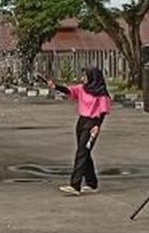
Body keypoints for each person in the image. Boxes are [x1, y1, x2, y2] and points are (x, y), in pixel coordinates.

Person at [46, 67, 112, 195]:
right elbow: (69, 90)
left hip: (92, 123)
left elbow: (103, 112)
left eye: (85, 76)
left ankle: (75, 185)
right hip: (81, 122)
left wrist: (97, 126)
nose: (83, 79)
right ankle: (92, 183)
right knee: (84, 153)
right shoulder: (82, 89)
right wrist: (55, 86)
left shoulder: (101, 94)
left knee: (81, 153)